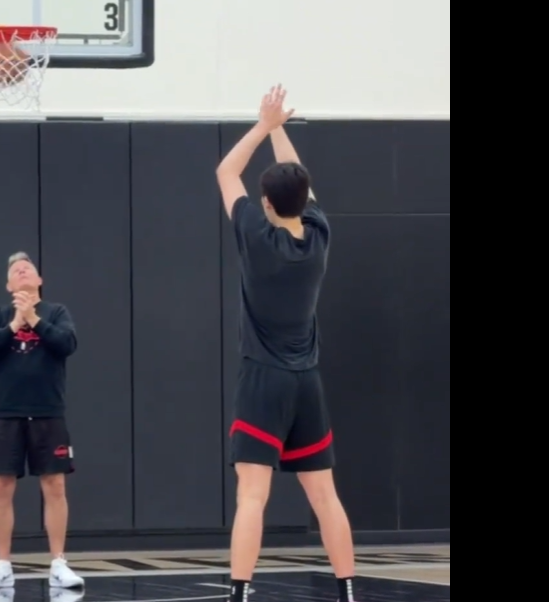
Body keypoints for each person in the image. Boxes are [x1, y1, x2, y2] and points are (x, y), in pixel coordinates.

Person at [216, 86, 357, 602]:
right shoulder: (318, 236)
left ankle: (239, 591)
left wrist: (263, 124)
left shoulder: (257, 236)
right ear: (304, 198)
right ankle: (347, 590)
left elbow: (226, 172)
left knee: (253, 496)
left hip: (263, 381)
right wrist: (279, 128)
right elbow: (300, 181)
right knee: (325, 496)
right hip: (306, 385)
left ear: (266, 203)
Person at [0, 252, 83, 590]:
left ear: (39, 281)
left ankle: (58, 563)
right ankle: (3, 564)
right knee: (1, 486)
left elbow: (67, 344)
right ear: (9, 285)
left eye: (27, 268)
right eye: (15, 270)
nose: (22, 271)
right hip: (6, 412)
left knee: (54, 485)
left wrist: (33, 319)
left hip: (48, 410)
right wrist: (13, 325)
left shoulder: (56, 312)